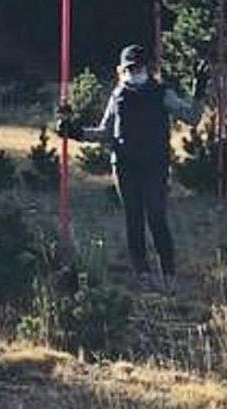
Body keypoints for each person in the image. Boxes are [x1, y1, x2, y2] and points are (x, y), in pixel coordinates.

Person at [58, 45, 209, 288]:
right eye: (129, 68)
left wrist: (199, 91)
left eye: (137, 67)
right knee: (133, 219)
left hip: (154, 165)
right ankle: (143, 274)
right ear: (122, 70)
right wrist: (75, 132)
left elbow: (191, 117)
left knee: (156, 216)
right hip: (125, 166)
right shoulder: (118, 95)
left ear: (146, 68)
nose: (133, 72)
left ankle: (168, 274)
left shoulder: (161, 93)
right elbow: (105, 132)